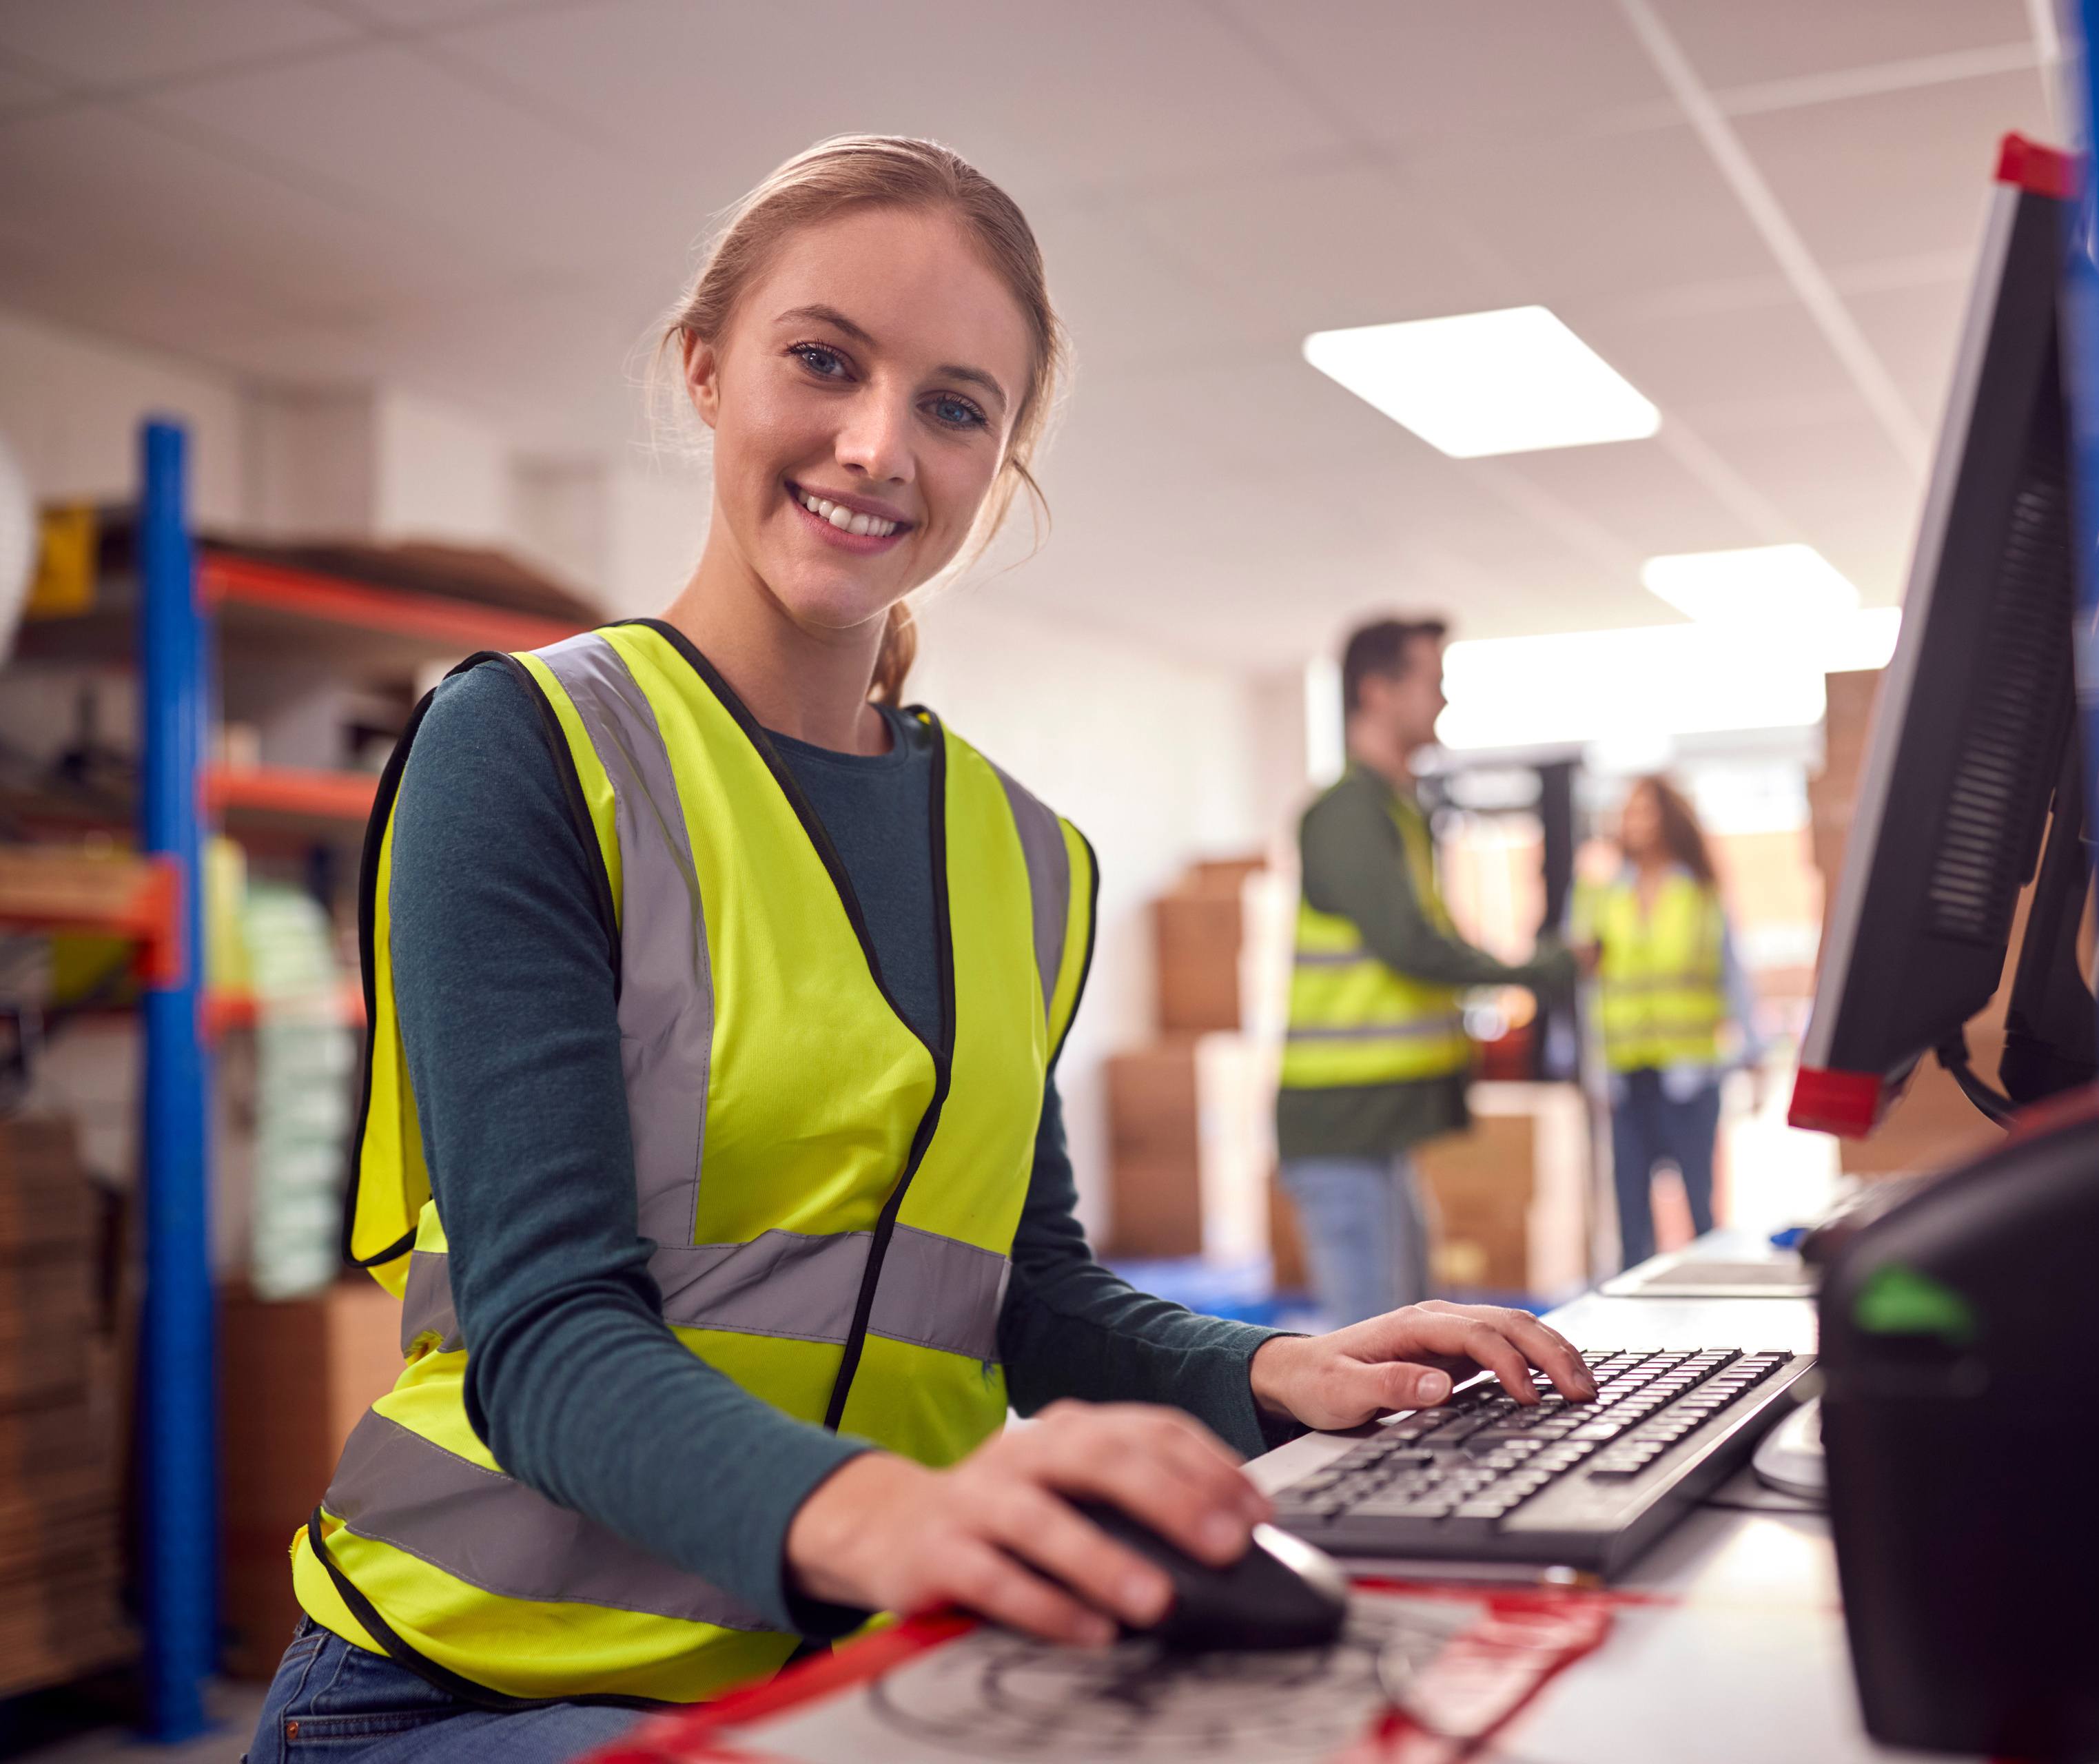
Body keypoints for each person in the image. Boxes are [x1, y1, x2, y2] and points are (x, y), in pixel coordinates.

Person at [249, 138, 1595, 1763]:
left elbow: (1020, 1290)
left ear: (999, 461)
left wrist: (1276, 1367)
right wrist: (891, 1514)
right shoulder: (528, 748)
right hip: (463, 1682)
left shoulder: (1024, 856)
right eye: (823, 361)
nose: (878, 444)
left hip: (848, 1678)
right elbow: (543, 1333)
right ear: (703, 367)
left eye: (956, 405)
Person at [1277, 617, 1577, 1329]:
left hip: (1376, 1132)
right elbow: (1410, 945)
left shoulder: (1394, 811)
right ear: (1378, 693)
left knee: (1411, 1330)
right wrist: (1534, 971)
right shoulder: (1348, 814)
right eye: (1431, 683)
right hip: (1343, 1130)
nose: (1442, 702)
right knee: (1375, 1352)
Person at [1582, 775, 1765, 1270]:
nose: (1636, 820)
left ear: (1669, 817)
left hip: (1689, 1074)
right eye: (1629, 811)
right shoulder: (1602, 896)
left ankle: (1711, 1313)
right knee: (1631, 1219)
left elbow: (1732, 973)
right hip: (1627, 1075)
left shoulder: (1699, 893)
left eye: (1647, 810)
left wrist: (1754, 1049)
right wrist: (1585, 1065)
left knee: (1701, 1209)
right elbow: (1585, 985)